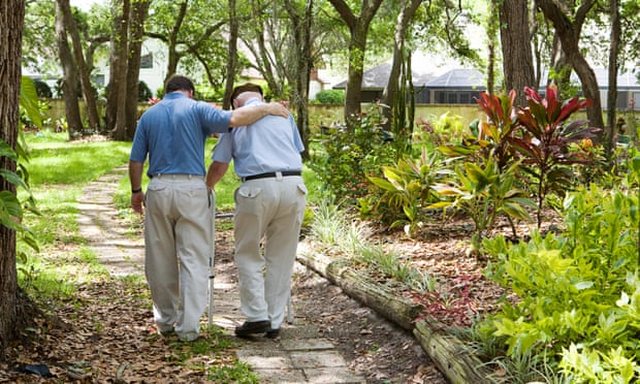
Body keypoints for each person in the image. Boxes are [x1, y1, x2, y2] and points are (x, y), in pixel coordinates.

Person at [129, 75, 289, 342]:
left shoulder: (148, 116)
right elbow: (236, 119)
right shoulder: (197, 108)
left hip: (157, 187)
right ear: (189, 92)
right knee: (193, 257)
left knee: (159, 257)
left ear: (167, 91)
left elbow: (136, 159)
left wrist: (136, 191)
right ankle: (189, 327)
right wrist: (269, 107)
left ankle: (165, 321)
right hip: (192, 188)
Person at [206, 83, 306, 339]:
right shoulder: (284, 115)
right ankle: (274, 321)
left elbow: (220, 165)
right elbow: (297, 151)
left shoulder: (236, 119)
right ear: (260, 96)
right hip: (294, 185)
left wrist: (205, 188)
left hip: (257, 186)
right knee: (282, 256)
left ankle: (256, 315)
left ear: (235, 103)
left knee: (248, 252)